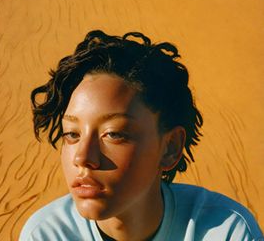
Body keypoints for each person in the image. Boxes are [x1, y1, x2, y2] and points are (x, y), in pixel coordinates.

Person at [19, 30, 263, 241]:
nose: (82, 158)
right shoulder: (47, 234)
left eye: (113, 134)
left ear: (170, 148)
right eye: (72, 134)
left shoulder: (224, 231)